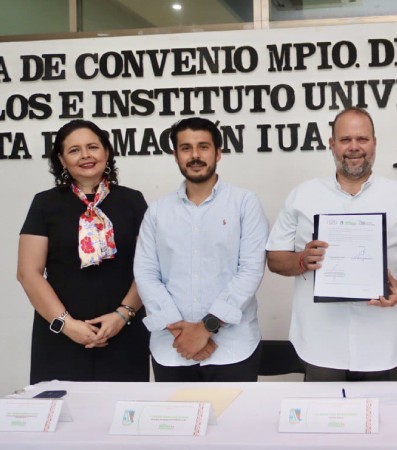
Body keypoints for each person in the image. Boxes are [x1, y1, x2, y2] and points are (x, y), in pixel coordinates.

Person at [266, 107, 397, 382]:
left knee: (389, 411)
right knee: (324, 411)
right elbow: (274, 258)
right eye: (345, 140)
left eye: (362, 139)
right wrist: (300, 260)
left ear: (374, 143)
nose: (354, 147)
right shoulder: (302, 196)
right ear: (331, 144)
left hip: (386, 344)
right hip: (320, 344)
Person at [134, 117, 268, 382]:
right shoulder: (158, 211)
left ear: (218, 153)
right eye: (186, 148)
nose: (195, 155)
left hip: (234, 349)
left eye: (203, 147)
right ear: (176, 155)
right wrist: (182, 333)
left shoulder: (244, 203)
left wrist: (207, 327)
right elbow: (146, 273)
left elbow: (251, 271)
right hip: (172, 349)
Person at [17, 119, 150, 384]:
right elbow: (28, 273)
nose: (86, 155)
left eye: (93, 147)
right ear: (62, 160)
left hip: (124, 331)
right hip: (60, 333)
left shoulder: (132, 201)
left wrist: (122, 315)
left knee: (122, 407)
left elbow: (149, 268)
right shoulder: (45, 203)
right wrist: (67, 325)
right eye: (74, 150)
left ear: (106, 152)